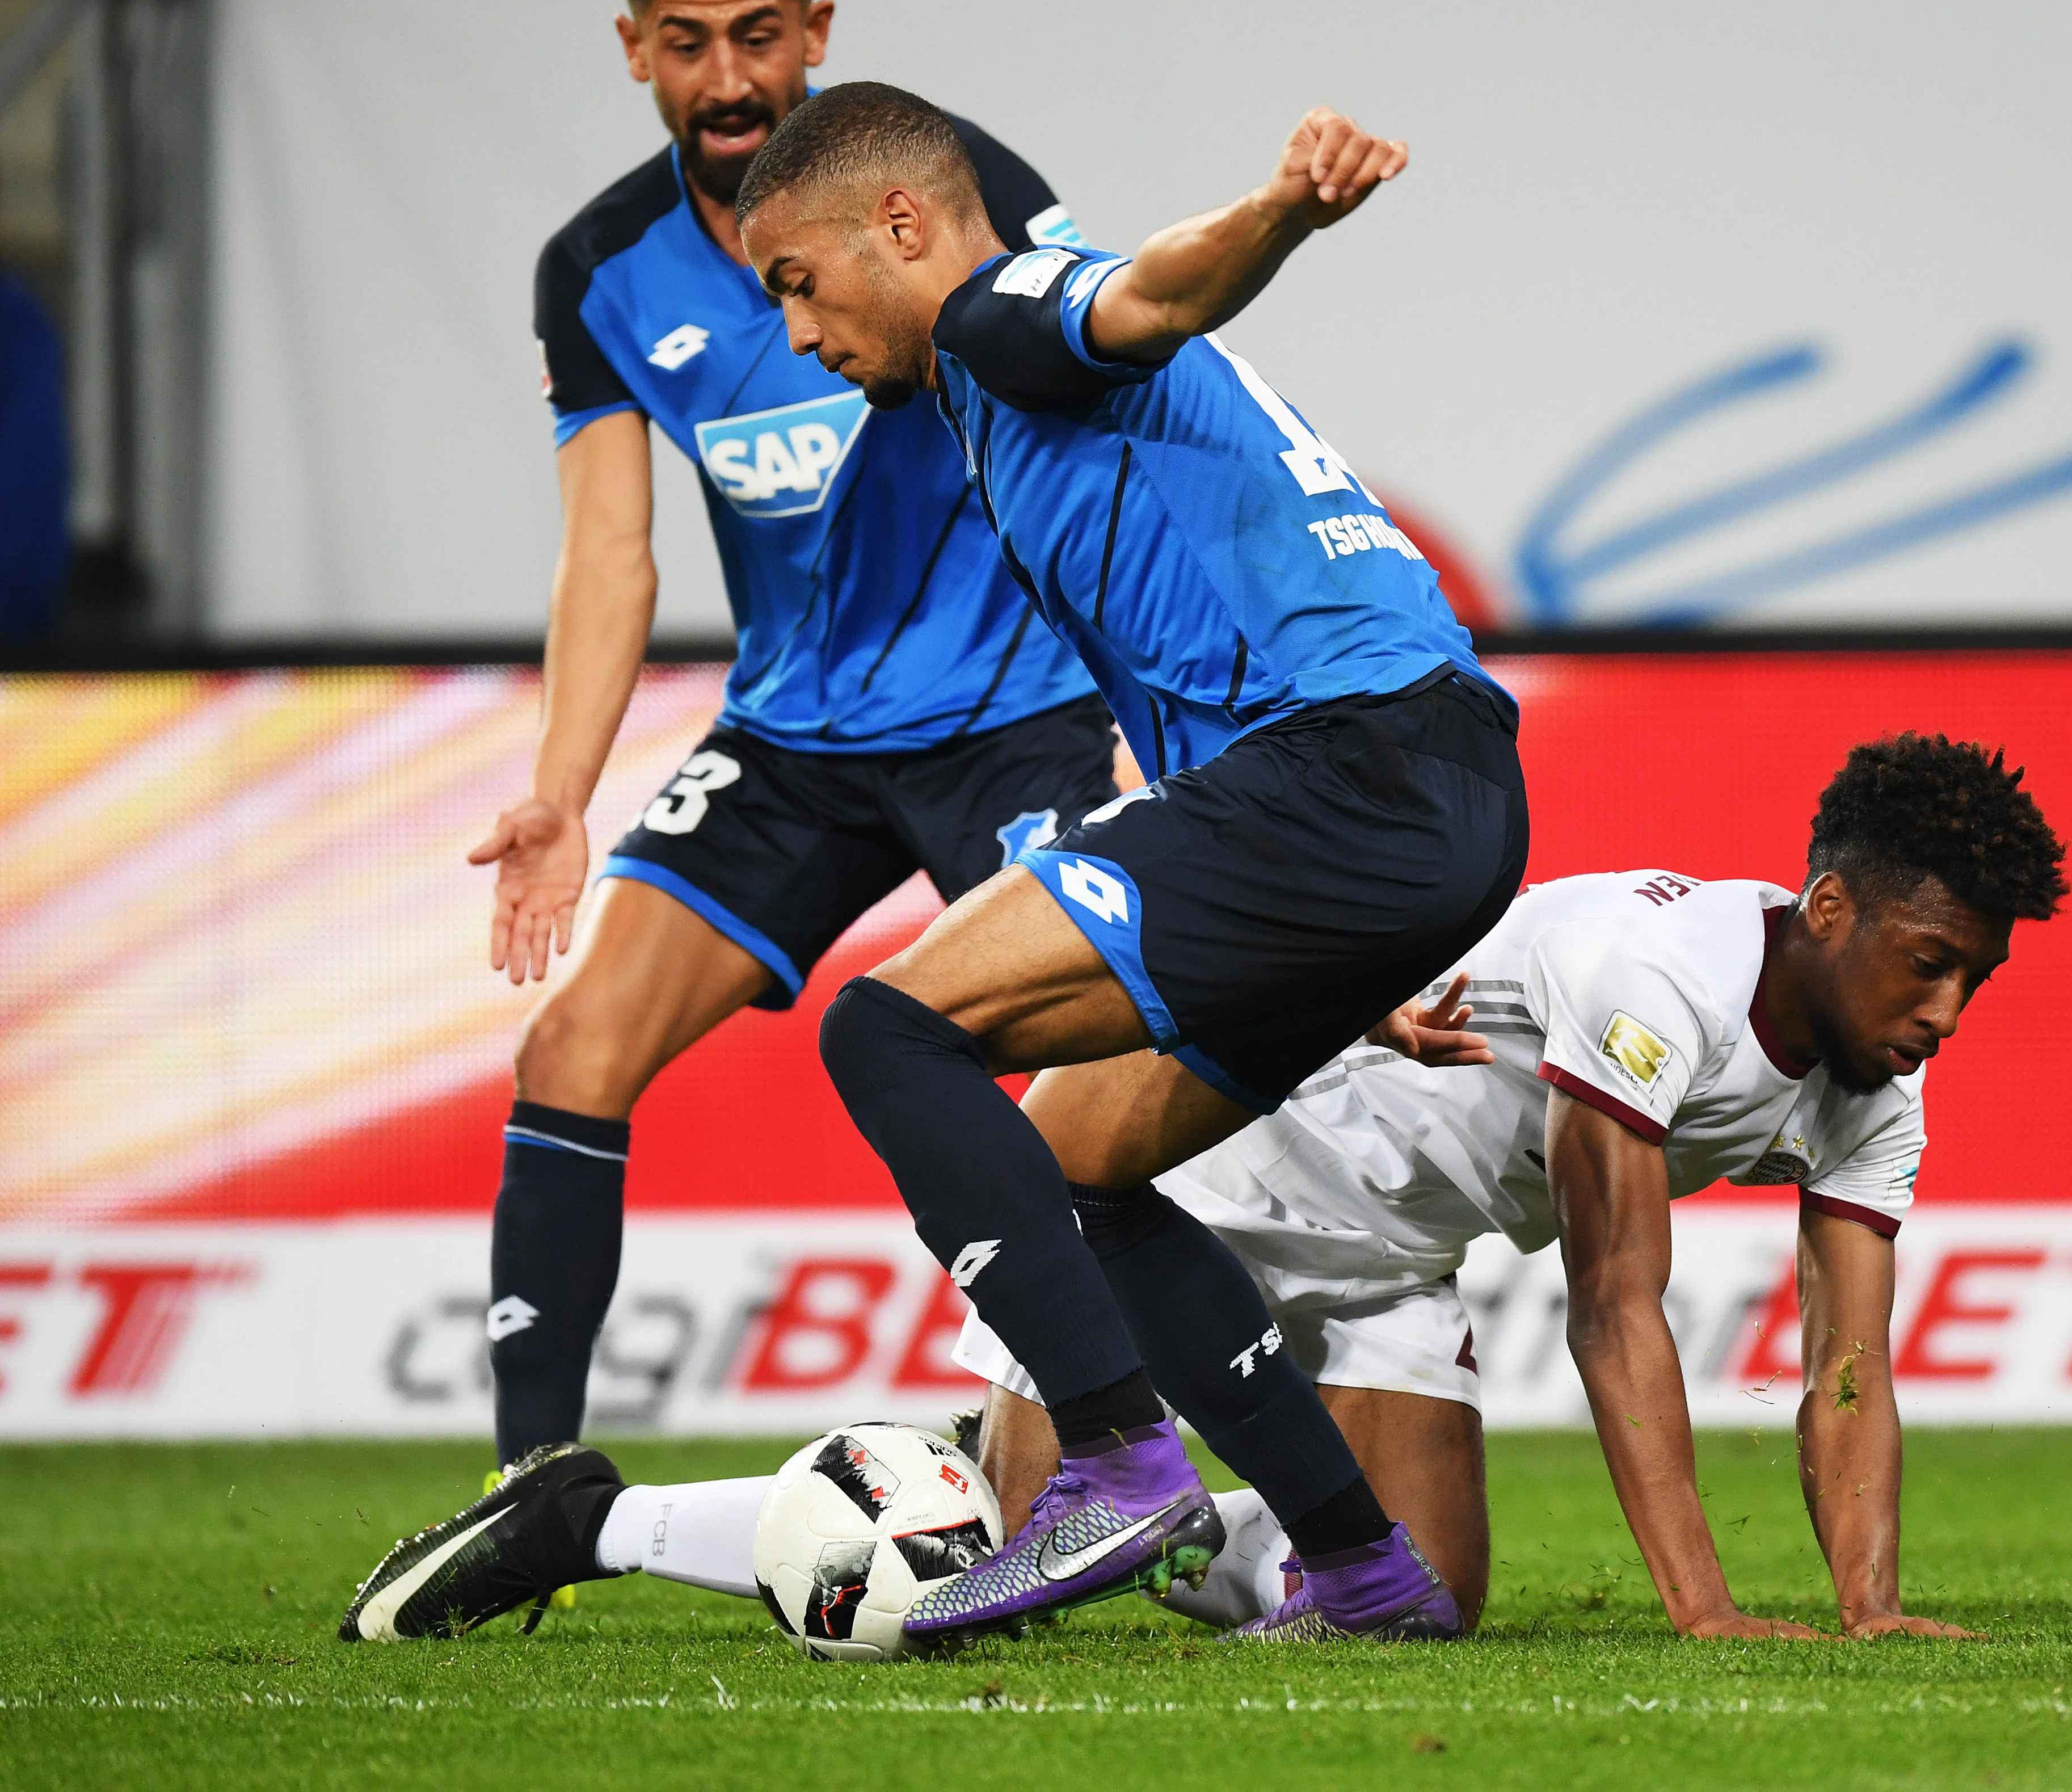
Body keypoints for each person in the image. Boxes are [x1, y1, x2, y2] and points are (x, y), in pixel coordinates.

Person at [344, 83, 1528, 1648]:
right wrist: (1339, 958)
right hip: (1417, 799)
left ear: (900, 229)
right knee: (1084, 1154)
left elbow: (1149, 292)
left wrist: (1282, 214)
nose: (797, 333)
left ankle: (1115, 1458)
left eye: (798, 284)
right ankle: (1367, 1574)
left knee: (886, 1024)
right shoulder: (1004, 409)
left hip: (1349, 767)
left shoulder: (993, 313)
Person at [338, 734, 2066, 1647]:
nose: (1945, 1013)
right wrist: (1704, 1607)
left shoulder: (1877, 1089)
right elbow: (1615, 1300)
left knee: (1427, 1603)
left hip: (1397, 1257)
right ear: (1829, 908)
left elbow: (1853, 1367)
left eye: (1974, 980)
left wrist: (1867, 1601)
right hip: (1208, 1159)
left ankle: (1219, 1548)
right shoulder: (1663, 977)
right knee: (980, 1570)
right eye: (1930, 965)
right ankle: (598, 1522)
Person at [472, 0, 1125, 1501]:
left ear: (815, 28)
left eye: (757, 34)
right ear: (635, 48)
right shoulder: (602, 271)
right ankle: (531, 1487)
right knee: (573, 1051)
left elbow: (1081, 425)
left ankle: (1097, 1454)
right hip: (797, 738)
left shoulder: (947, 185)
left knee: (1103, 1075)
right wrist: (561, 790)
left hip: (1013, 717)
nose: (729, 79)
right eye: (688, 42)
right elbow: (611, 555)